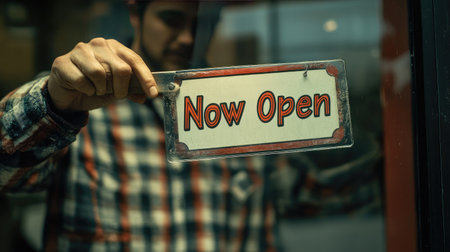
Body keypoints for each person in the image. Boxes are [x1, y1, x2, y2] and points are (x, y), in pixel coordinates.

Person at [0, 0, 382, 251]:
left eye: (202, 23)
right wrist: (53, 102)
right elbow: (6, 166)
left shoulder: (246, 114)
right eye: (171, 18)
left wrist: (388, 135)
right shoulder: (81, 107)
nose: (186, 37)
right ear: (136, 14)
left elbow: (323, 196)